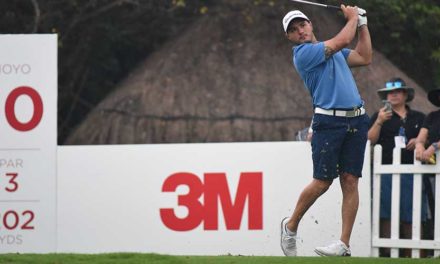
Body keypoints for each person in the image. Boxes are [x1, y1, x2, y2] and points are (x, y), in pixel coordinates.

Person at [280, 5, 372, 257]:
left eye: (302, 25)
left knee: (351, 180)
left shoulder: (337, 54)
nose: (300, 31)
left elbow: (365, 57)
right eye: (293, 30)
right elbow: (342, 39)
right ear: (289, 37)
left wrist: (362, 23)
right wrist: (353, 17)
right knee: (323, 182)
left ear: (310, 24)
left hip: (357, 120)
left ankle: (343, 243)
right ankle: (290, 226)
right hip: (328, 123)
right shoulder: (303, 54)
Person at [368, 77, 428, 257]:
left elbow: (429, 138)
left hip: (413, 172)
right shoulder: (379, 115)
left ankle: (415, 254)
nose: (392, 95)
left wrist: (419, 141)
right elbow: (369, 140)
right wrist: (379, 121)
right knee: (385, 213)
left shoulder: (419, 117)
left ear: (405, 94)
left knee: (413, 213)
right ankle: (386, 255)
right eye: (389, 93)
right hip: (384, 172)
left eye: (397, 91)